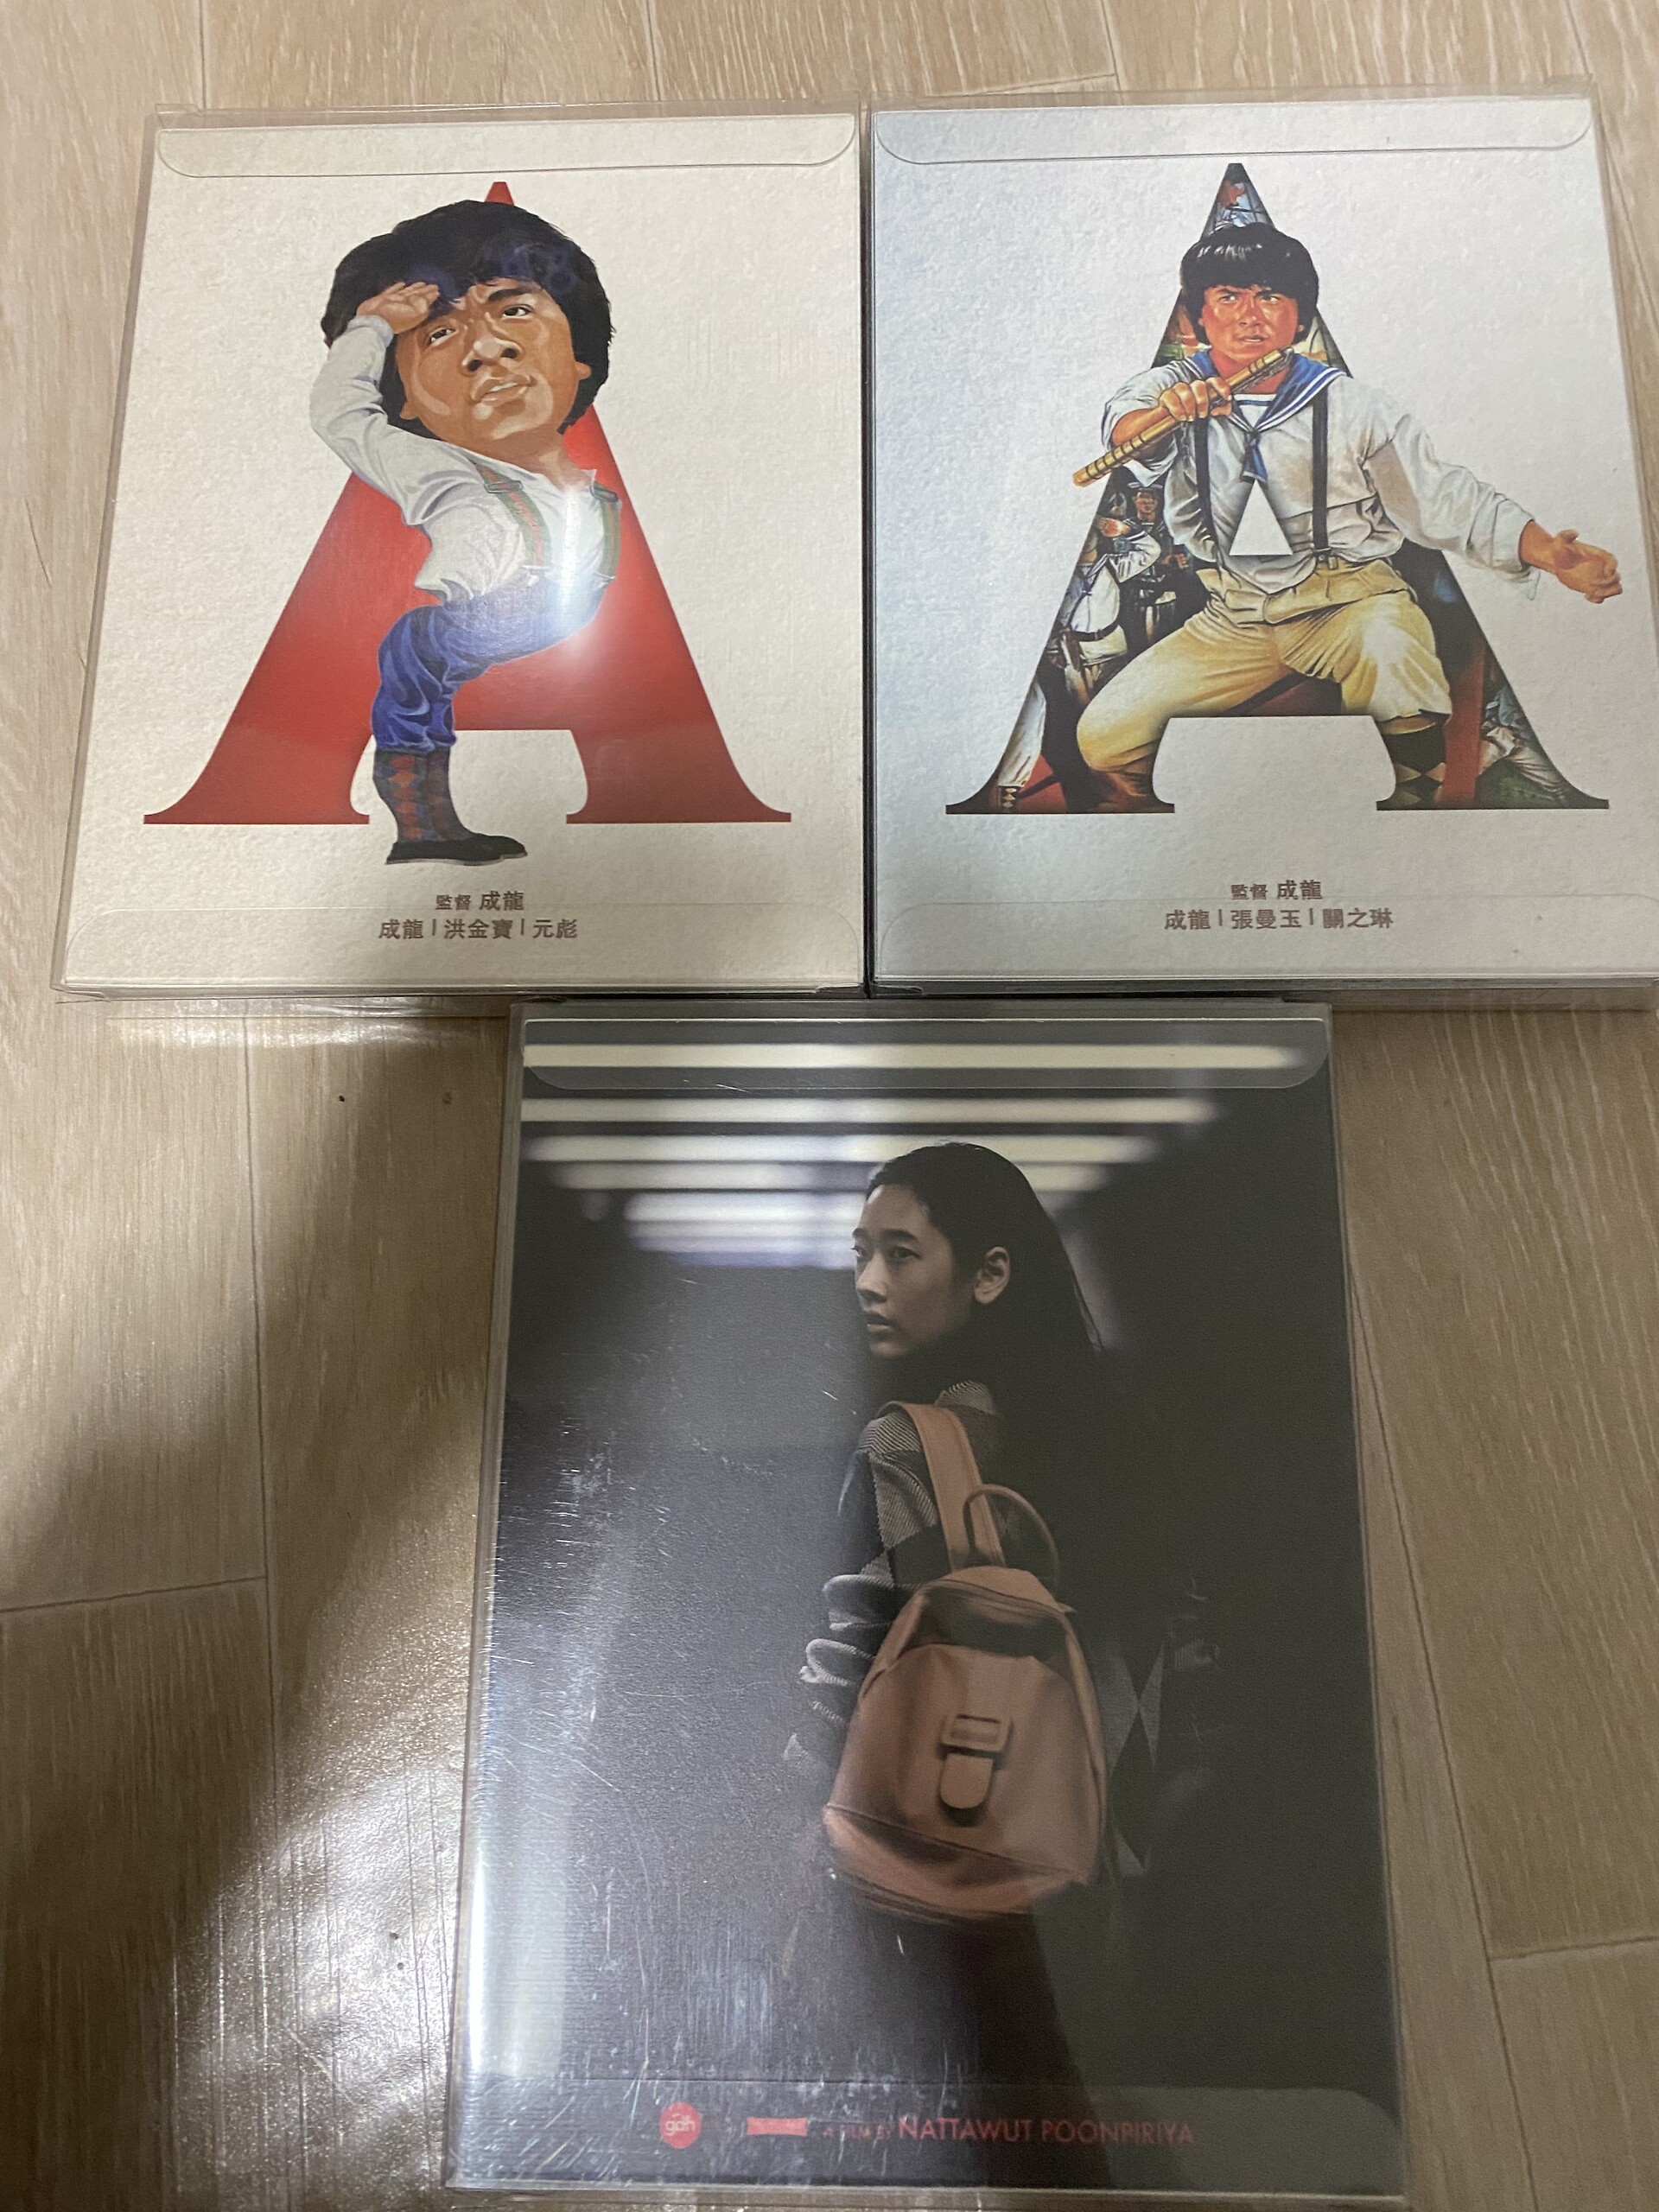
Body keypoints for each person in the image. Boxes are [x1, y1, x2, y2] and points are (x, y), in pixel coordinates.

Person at [782, 1144, 1215, 2102]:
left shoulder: (910, 1443)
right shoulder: (1125, 1430)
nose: (869, 1282)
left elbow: (862, 1651)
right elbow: (1186, 1649)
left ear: (989, 1275)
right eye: (861, 1253)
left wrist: (798, 1813)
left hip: (936, 1851)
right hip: (1103, 1866)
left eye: (901, 1254)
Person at [1075, 220, 1622, 810]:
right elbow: (1126, 432)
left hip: (1348, 600)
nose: (1250, 315)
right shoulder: (1169, 388)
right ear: (1198, 317)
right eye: (1228, 297)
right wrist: (1167, 415)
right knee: (1104, 739)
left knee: (1397, 660)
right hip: (1233, 616)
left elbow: (1443, 497)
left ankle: (1412, 813)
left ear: (1300, 317)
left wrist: (1551, 553)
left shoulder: (1355, 406)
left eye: (1270, 296)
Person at [312, 199, 619, 863]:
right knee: (414, 650)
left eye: (514, 310)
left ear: (579, 357)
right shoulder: (433, 466)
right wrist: (371, 326)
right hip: (484, 617)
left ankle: (429, 825)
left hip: (559, 613)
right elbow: (341, 415)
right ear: (406, 401)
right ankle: (423, 827)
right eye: (440, 334)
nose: (487, 348)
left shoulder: (585, 494)